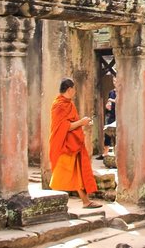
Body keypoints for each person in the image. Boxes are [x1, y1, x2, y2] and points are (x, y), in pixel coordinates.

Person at [49, 78, 101, 208]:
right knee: (60, 175)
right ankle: (50, 204)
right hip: (64, 145)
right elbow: (64, 127)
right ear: (69, 89)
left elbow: (72, 124)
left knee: (76, 173)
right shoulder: (59, 105)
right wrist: (81, 123)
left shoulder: (69, 104)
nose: (75, 91)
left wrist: (83, 123)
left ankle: (86, 201)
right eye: (74, 89)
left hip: (73, 144)